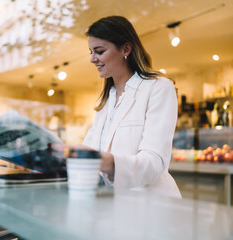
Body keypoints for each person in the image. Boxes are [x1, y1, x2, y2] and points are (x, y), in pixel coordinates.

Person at [77, 16, 181, 198]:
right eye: (90, 52)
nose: (93, 59)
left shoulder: (159, 88)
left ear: (126, 49)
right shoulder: (105, 101)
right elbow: (90, 151)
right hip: (113, 207)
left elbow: (154, 162)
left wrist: (110, 163)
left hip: (152, 208)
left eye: (99, 51)